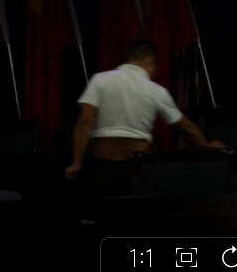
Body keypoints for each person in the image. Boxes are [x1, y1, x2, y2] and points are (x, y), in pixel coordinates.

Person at [65, 40, 223, 195]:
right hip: (137, 167)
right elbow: (185, 126)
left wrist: (76, 163)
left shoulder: (99, 80)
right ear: (150, 61)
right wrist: (206, 145)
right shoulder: (157, 91)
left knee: (102, 211)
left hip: (103, 166)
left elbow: (85, 120)